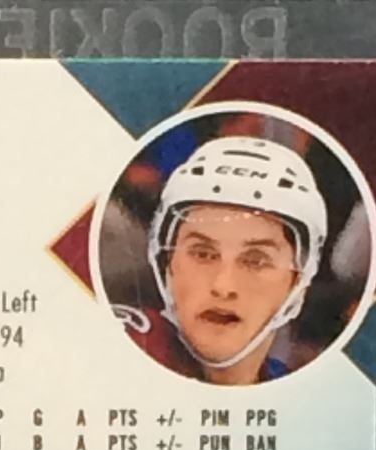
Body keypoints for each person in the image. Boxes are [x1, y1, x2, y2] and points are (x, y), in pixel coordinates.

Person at [116, 134, 329, 385]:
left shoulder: (294, 392)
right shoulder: (118, 345)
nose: (223, 286)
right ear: (168, 262)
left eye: (256, 261)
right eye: (203, 254)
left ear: (297, 280)